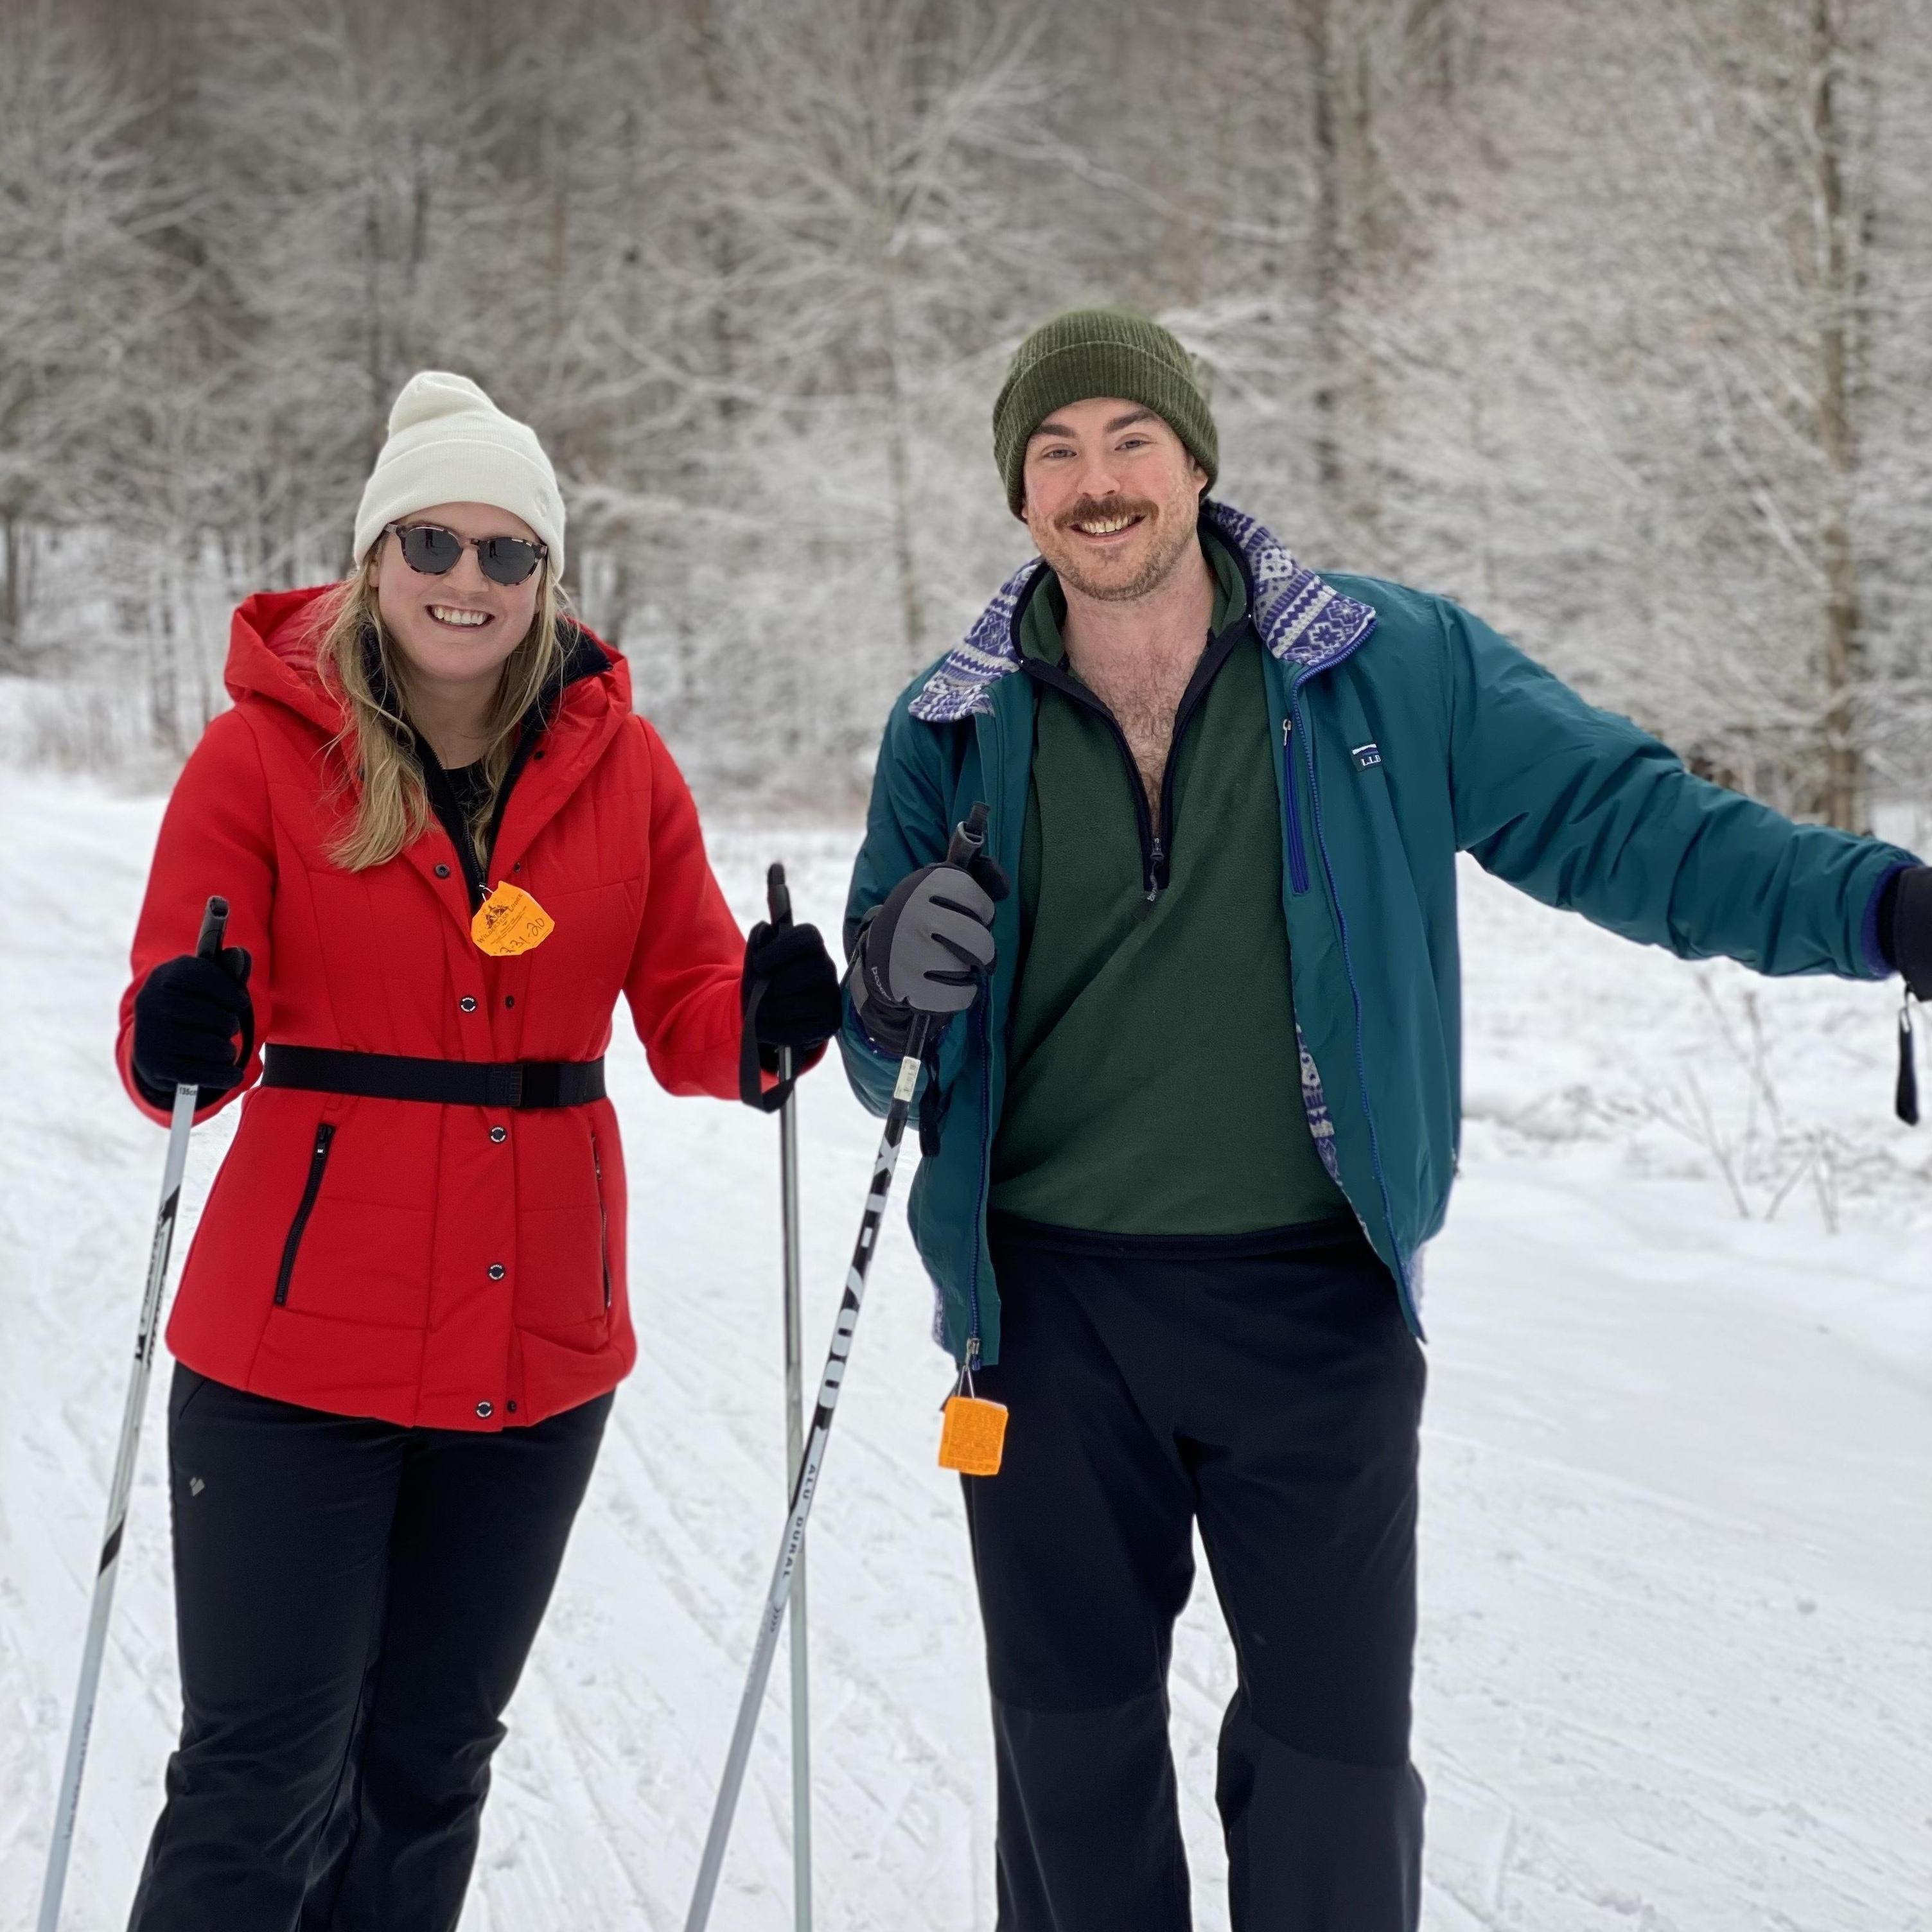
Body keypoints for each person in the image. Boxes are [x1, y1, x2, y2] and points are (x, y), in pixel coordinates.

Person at [838, 308, 1932, 1932]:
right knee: (1070, 1782)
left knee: (1335, 1780)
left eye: (1128, 440)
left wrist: (1879, 909)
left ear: (1196, 462)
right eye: (1054, 453)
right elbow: (882, 1054)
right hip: (1045, 1317)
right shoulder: (950, 721)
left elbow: (1625, 824)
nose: (1096, 481)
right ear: (1019, 498)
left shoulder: (1384, 665)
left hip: (1312, 1299)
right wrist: (888, 987)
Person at [116, 370, 841, 1928]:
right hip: (290, 1363)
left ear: (548, 579)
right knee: (262, 1772)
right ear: (376, 555)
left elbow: (695, 1008)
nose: (466, 580)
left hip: (535, 1358)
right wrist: (179, 1027)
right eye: (433, 542)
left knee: (431, 1765)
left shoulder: (623, 772)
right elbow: (179, 1025)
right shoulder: (257, 759)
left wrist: (772, 1020)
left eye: (506, 553)